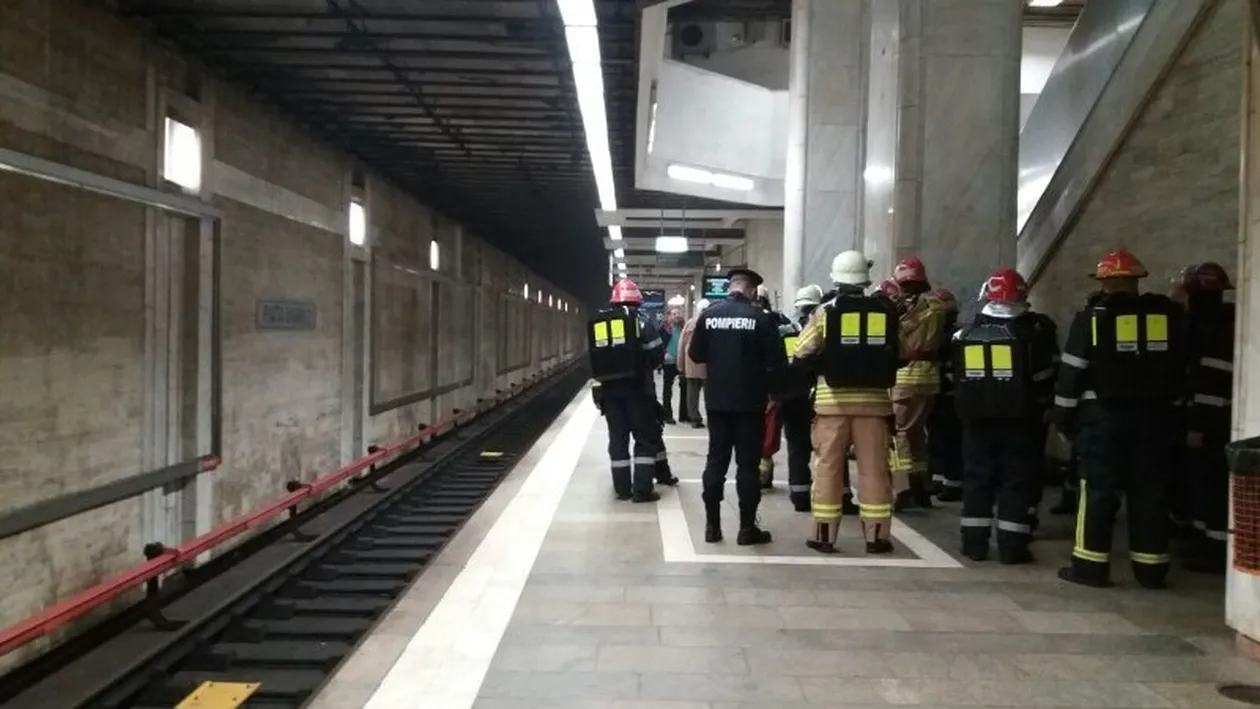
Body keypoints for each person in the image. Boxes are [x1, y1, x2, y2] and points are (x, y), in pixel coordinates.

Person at [1053, 249, 1186, 589]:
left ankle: (1090, 568)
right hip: (1155, 420)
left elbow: (1072, 372)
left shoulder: (1093, 318)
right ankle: (1152, 570)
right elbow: (1182, 369)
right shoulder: (1168, 316)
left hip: (1102, 420)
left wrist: (1063, 419)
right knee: (1150, 492)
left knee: (1097, 492)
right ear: (1136, 280)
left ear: (1104, 281)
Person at [792, 251, 904, 554]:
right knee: (875, 471)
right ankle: (877, 537)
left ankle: (824, 536)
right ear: (864, 280)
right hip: (876, 406)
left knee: (828, 468)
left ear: (836, 278)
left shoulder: (825, 312)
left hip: (832, 405)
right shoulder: (887, 310)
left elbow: (802, 352)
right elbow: (901, 352)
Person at [952, 269, 1059, 564]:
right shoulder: (1036, 331)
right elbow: (1046, 375)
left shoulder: (966, 331)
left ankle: (974, 544)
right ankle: (1012, 547)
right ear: (1022, 294)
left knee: (976, 479)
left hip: (976, 421)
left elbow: (956, 377)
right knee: (1016, 480)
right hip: (1021, 421)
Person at [688, 267, 785, 545]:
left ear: (730, 287)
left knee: (715, 462)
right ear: (752, 290)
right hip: (750, 404)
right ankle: (746, 529)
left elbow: (696, 354)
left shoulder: (709, 316)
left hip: (717, 402)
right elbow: (777, 361)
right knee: (747, 466)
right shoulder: (760, 319)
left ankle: (712, 527)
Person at [587, 278, 667, 503]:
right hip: (639, 392)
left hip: (610, 395)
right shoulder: (643, 322)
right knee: (644, 439)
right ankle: (642, 490)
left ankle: (622, 489)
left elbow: (595, 361)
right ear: (637, 302)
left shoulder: (601, 322)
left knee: (618, 440)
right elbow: (657, 355)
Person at [1179, 262, 1235, 573]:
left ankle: (1213, 549)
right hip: (1218, 415)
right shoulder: (1224, 319)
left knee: (1210, 483)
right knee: (1203, 481)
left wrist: (1198, 423)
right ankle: (1204, 541)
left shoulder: (1207, 324)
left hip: (1212, 419)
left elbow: (1210, 377)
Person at [887, 257, 947, 511]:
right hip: (930, 378)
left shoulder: (915, 308)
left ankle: (902, 488)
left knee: (898, 432)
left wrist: (895, 310)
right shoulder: (937, 304)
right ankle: (921, 485)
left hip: (906, 376)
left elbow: (899, 330)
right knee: (917, 434)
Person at [929, 288, 964, 502]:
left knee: (945, 438)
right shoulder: (956, 334)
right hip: (945, 392)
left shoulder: (945, 336)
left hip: (946, 393)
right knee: (940, 438)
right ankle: (941, 480)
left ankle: (949, 482)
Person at [678, 300, 708, 428]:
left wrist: (680, 366)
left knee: (692, 394)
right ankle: (712, 417)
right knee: (710, 394)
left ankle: (695, 419)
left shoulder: (690, 323)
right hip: (708, 364)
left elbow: (682, 345)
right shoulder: (710, 322)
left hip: (691, 363)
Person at [661, 309, 687, 424]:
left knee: (685, 387)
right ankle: (667, 414)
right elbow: (660, 343)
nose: (677, 316)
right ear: (668, 316)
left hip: (681, 361)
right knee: (667, 388)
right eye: (674, 314)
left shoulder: (683, 327)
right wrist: (663, 354)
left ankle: (684, 414)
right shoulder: (664, 328)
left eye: (678, 313)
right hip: (669, 361)